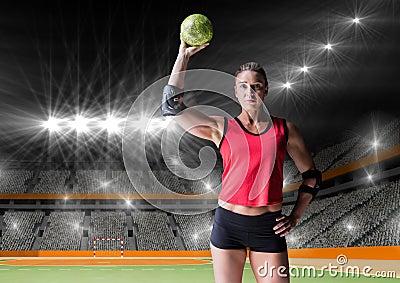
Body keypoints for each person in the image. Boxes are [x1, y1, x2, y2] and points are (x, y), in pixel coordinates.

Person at [161, 35, 321, 283]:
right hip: (228, 225)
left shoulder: (285, 129)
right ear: (235, 91)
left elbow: (312, 176)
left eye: (256, 85)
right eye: (243, 86)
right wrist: (183, 56)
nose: (250, 91)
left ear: (265, 90)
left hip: (269, 227)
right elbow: (171, 106)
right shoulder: (221, 127)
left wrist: (295, 216)